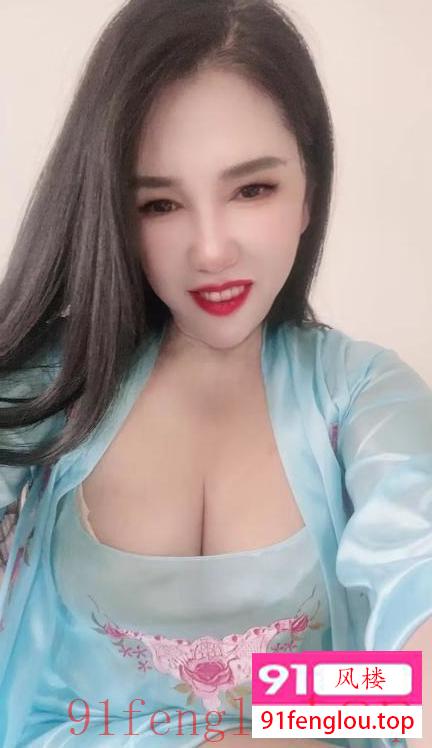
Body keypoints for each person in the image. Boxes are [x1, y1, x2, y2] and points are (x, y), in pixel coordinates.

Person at [0, 0, 430, 746]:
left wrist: (266, 730)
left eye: (251, 189)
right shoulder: (52, 383)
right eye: (160, 203)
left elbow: (415, 650)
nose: (210, 250)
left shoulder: (361, 397)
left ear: (310, 188)